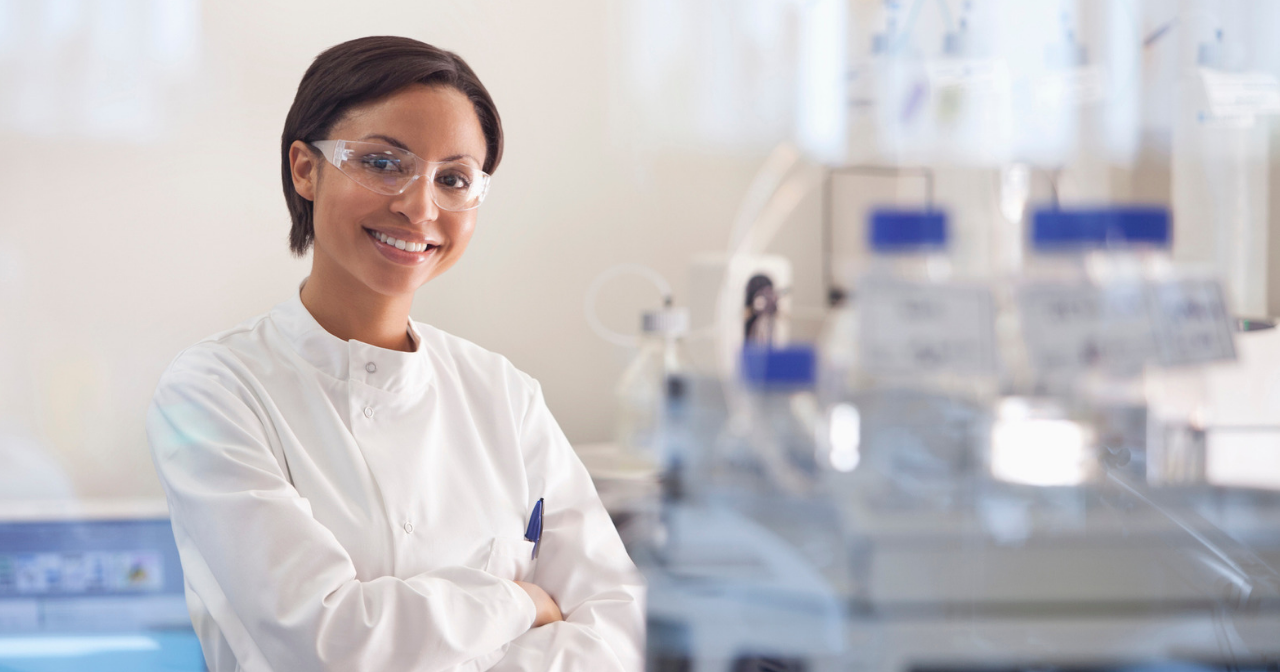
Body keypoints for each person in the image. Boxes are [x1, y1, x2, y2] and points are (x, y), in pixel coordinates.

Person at [147, 36, 644, 672]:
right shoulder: (215, 392)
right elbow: (331, 645)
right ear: (305, 169)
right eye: (383, 163)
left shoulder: (504, 394)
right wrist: (519, 602)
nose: (419, 206)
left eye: (453, 179)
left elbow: (621, 627)